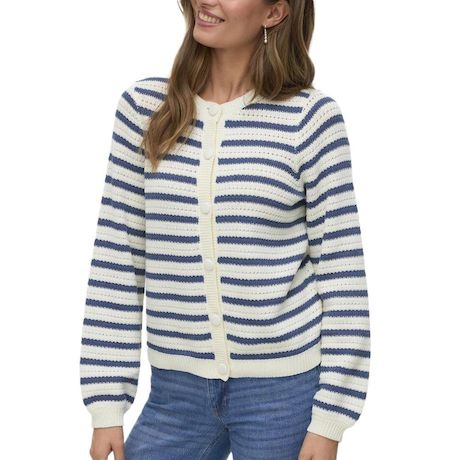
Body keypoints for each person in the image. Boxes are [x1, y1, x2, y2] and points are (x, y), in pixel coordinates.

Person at [79, 1, 371, 459]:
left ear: (274, 13)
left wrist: (331, 418)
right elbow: (117, 260)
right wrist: (106, 404)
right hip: (175, 394)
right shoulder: (145, 110)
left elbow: (342, 274)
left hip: (284, 395)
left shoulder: (310, 119)